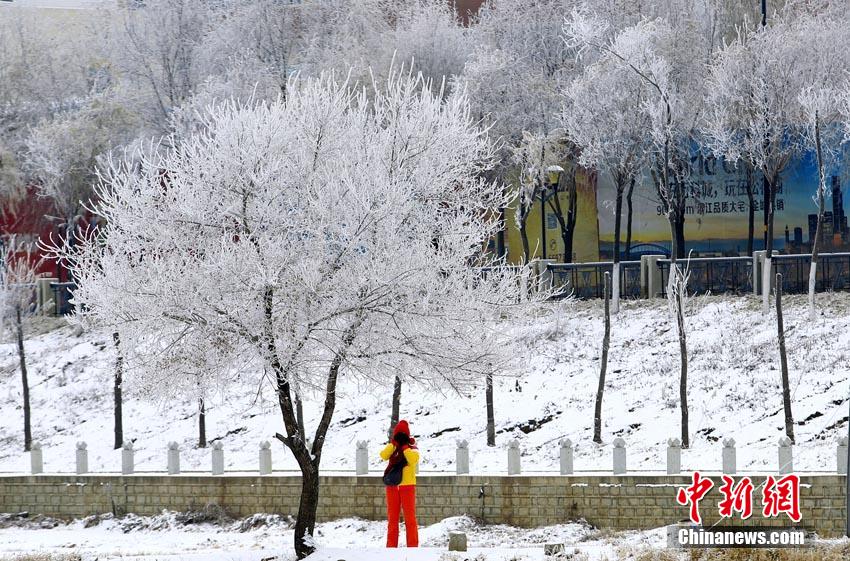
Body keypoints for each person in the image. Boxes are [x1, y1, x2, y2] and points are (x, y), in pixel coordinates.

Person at [380, 419, 420, 548]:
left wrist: (404, 447)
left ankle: (413, 547)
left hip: (407, 486)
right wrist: (394, 444)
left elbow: (413, 460)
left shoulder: (412, 447)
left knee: (410, 519)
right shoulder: (393, 447)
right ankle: (391, 547)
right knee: (392, 519)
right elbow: (383, 455)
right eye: (399, 434)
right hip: (392, 486)